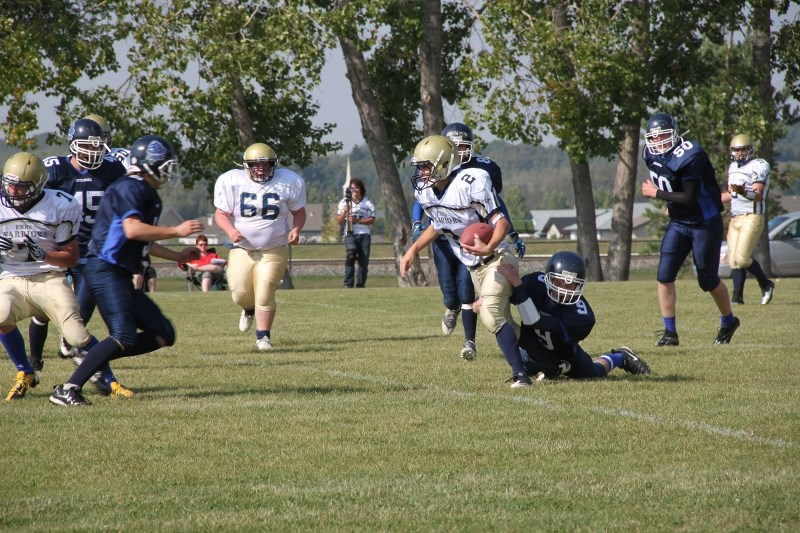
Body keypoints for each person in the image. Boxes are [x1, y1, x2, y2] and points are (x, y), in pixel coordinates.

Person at [49, 135, 204, 406]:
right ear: (149, 165)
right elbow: (133, 228)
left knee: (163, 333)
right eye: (165, 164)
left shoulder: (144, 191)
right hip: (105, 269)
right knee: (123, 334)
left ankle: (91, 357)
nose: (169, 170)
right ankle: (69, 387)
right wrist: (177, 231)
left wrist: (177, 254)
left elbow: (140, 238)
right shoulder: (131, 187)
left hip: (116, 272)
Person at [400, 135, 533, 388]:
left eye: (426, 166)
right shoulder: (428, 191)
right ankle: (545, 349)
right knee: (506, 325)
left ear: (443, 164)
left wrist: (489, 246)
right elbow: (437, 225)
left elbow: (501, 221)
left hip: (497, 258)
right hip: (474, 267)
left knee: (490, 315)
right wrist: (412, 251)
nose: (421, 172)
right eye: (420, 167)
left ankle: (521, 376)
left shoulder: (471, 181)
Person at [27, 117, 129, 395]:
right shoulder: (55, 169)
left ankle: (91, 369)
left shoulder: (112, 169)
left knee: (77, 314)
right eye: (86, 146)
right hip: (58, 246)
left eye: (98, 147)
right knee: (43, 310)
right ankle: (34, 360)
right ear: (73, 145)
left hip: (91, 252)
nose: (93, 152)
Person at [0, 152, 110, 400]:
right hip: (13, 277)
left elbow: (71, 257)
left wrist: (44, 254)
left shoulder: (60, 204)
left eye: (21, 186)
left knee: (76, 336)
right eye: (9, 183)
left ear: (38, 185)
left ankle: (111, 381)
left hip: (50, 276)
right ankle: (25, 372)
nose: (13, 190)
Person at [640, 112, 740, 346]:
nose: (659, 142)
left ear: (675, 134)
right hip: (679, 221)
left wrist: (657, 194)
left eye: (664, 135)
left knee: (707, 280)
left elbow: (689, 196)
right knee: (664, 274)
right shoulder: (649, 154)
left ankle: (729, 321)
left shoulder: (690, 155)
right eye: (654, 138)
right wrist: (668, 202)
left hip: (704, 222)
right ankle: (670, 333)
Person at [491, 252, 650, 381]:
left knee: (595, 373)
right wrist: (484, 300)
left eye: (569, 285)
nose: (562, 290)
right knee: (521, 365)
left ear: (579, 285)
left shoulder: (582, 315)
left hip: (565, 355)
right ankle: (549, 368)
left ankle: (620, 357)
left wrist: (518, 285)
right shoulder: (535, 283)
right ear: (548, 278)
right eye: (558, 283)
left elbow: (534, 321)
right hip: (531, 351)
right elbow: (502, 296)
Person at [213, 142, 306, 351]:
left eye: (266, 165)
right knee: (239, 293)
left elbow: (299, 211)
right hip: (242, 248)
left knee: (264, 291)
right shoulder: (232, 181)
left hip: (274, 247)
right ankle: (248, 309)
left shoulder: (288, 181)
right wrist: (230, 231)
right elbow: (220, 214)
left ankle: (263, 336)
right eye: (256, 165)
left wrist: (297, 229)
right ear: (246, 165)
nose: (262, 169)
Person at [720, 134, 775, 305]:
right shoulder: (732, 167)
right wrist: (706, 200)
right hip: (735, 217)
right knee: (734, 260)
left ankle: (766, 284)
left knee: (743, 258)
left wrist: (744, 192)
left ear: (750, 149)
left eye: (743, 149)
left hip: (752, 216)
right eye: (736, 150)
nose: (739, 153)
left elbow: (758, 196)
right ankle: (737, 298)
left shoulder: (759, 165)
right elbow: (730, 195)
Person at [335, 178, 375, 288]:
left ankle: (360, 284)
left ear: (361, 189)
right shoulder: (344, 202)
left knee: (363, 260)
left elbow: (372, 220)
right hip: (350, 233)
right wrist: (344, 211)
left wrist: (357, 221)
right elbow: (339, 221)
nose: (354, 190)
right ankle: (348, 283)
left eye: (356, 187)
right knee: (351, 256)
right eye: (352, 188)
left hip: (364, 233)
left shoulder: (367, 203)